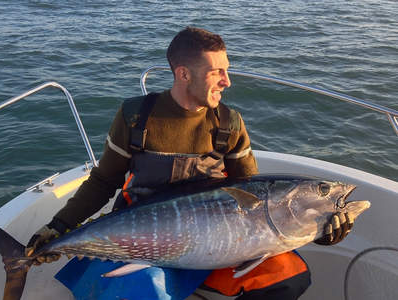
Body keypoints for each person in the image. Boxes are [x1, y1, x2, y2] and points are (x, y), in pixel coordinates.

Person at [26, 27, 353, 299]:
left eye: (227, 70)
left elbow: (256, 194)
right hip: (144, 238)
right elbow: (103, 181)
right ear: (183, 74)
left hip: (219, 244)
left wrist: (321, 228)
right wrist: (58, 228)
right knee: (141, 290)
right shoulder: (137, 117)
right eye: (217, 72)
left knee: (288, 277)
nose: (227, 82)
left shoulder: (229, 123)